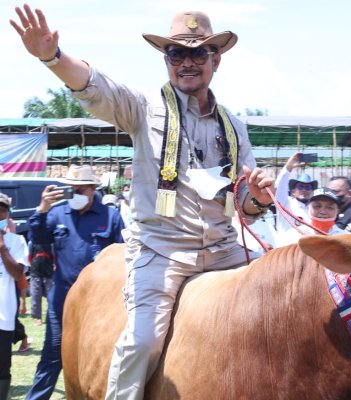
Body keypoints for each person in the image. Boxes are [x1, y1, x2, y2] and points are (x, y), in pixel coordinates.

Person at [11, 7, 275, 399]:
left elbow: (243, 199)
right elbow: (93, 86)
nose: (187, 62)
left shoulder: (234, 125)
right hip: (161, 251)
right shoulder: (142, 106)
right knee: (142, 342)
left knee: (276, 319)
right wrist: (52, 56)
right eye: (176, 54)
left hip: (224, 250)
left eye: (198, 53)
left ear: (215, 60)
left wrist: (256, 199)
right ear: (166, 60)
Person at [25, 165, 125, 400]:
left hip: (100, 308)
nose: (75, 195)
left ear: (93, 189)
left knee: (99, 358)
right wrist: (42, 208)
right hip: (62, 302)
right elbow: (37, 237)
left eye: (80, 190)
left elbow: (124, 254)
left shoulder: (110, 217)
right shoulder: (58, 214)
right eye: (71, 190)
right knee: (51, 357)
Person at [0, 192, 30, 400]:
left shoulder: (17, 240)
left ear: (7, 214)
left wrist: (2, 248)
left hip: (3, 317)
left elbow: (18, 274)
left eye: (1, 210)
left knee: (2, 368)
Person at [276, 188, 346, 247]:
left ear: (338, 211)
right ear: (308, 208)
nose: (323, 212)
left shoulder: (346, 239)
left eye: (329, 207)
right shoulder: (292, 236)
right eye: (317, 206)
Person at [275, 152, 317, 232]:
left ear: (312, 191)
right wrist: (288, 167)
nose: (304, 190)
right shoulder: (286, 203)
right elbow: (278, 188)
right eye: (300, 187)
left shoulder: (315, 210)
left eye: (308, 187)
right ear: (293, 191)